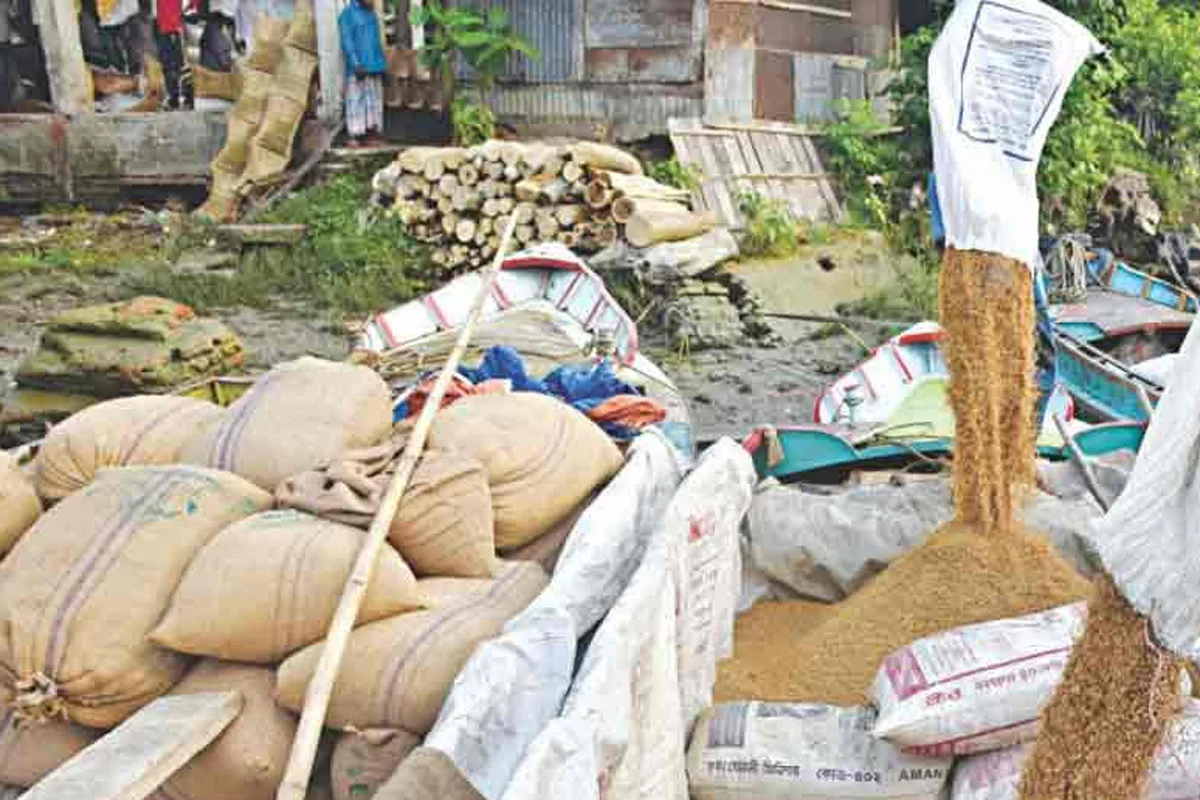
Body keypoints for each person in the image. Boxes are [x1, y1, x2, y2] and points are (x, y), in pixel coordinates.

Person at [928, 172, 1060, 428]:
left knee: (1038, 360)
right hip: (983, 276)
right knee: (986, 365)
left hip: (1022, 267)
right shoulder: (948, 171)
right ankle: (990, 437)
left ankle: (1024, 438)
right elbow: (945, 241)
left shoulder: (1007, 164)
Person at [338, 0, 386, 147]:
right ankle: (354, 135)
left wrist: (382, 64)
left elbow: (377, 42)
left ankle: (370, 133)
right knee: (356, 100)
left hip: (374, 66)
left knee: (373, 101)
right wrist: (355, 63)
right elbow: (347, 41)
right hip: (358, 68)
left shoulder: (372, 15)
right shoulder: (347, 15)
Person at [155, 0, 184, 108]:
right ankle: (174, 97)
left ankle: (174, 97)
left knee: (170, 64)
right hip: (169, 26)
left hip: (170, 27)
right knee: (172, 64)